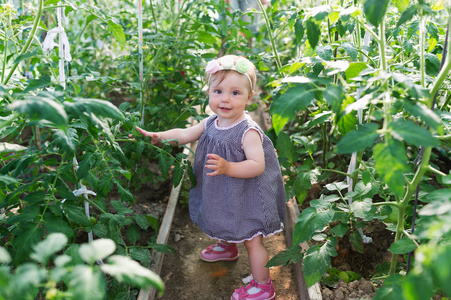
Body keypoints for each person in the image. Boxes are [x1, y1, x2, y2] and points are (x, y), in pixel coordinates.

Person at [134, 55, 285, 300]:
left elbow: (257, 165)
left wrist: (228, 167)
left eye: (235, 93)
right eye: (218, 91)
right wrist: (160, 136)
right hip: (223, 190)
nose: (225, 99)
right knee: (220, 214)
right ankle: (227, 246)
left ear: (249, 98)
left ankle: (263, 286)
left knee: (252, 240)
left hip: (246, 196)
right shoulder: (212, 121)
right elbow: (184, 134)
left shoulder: (248, 132)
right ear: (209, 93)